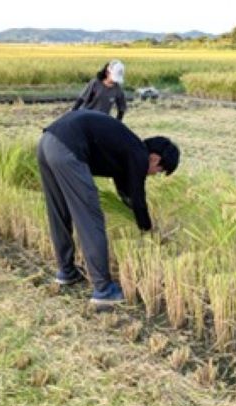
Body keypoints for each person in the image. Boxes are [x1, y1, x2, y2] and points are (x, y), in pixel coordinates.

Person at [37, 110, 180, 306]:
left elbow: (126, 193)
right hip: (68, 149)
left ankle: (66, 272)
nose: (154, 174)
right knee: (90, 219)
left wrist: (133, 214)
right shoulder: (138, 154)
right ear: (155, 159)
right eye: (160, 171)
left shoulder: (126, 149)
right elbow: (138, 198)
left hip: (47, 142)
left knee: (59, 212)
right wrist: (148, 229)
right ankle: (103, 289)